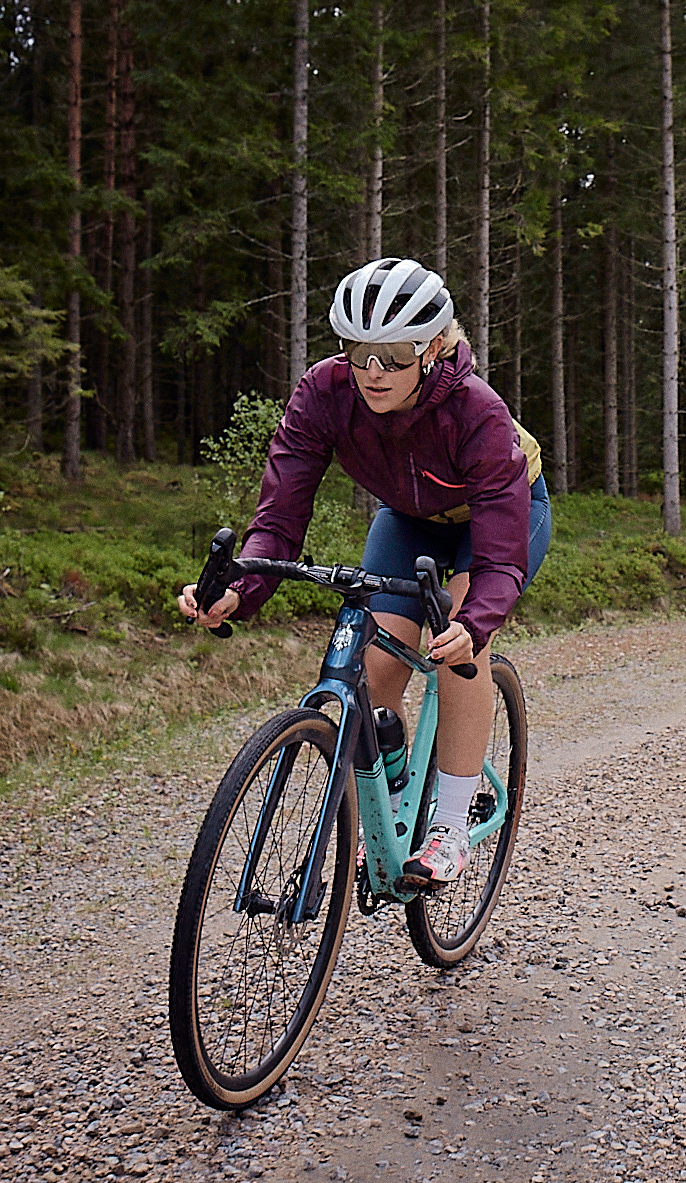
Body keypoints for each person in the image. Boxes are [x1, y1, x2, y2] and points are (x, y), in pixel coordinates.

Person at [178, 257, 531, 887]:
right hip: (409, 520)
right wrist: (241, 589)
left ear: (433, 349)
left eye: (394, 354)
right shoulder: (324, 391)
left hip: (500, 517)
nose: (373, 370)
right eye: (358, 350)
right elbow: (281, 512)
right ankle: (392, 771)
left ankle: (449, 828)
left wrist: (476, 623)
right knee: (375, 667)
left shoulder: (477, 410)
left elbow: (502, 554)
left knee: (455, 645)